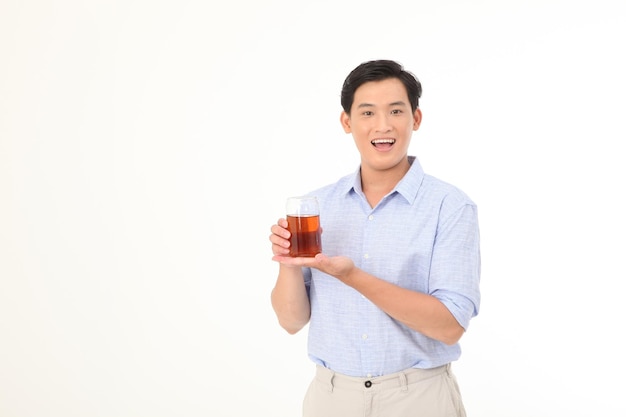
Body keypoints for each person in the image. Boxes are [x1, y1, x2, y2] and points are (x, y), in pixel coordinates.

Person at [269, 59, 481, 417]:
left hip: (419, 398)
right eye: (367, 113)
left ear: (415, 119)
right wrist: (288, 264)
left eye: (395, 111)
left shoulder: (450, 207)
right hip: (331, 398)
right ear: (347, 122)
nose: (382, 126)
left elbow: (449, 326)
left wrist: (352, 276)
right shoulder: (318, 206)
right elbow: (291, 322)